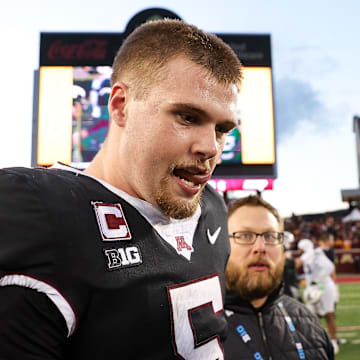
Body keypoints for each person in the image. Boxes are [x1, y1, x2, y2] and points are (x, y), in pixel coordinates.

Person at [0, 19, 242, 359]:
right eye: (187, 117)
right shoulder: (43, 215)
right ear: (120, 105)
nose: (211, 147)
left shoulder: (213, 209)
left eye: (222, 129)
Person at [224, 195, 334, 359]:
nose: (260, 248)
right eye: (245, 236)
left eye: (270, 236)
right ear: (220, 245)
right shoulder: (192, 333)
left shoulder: (308, 322)